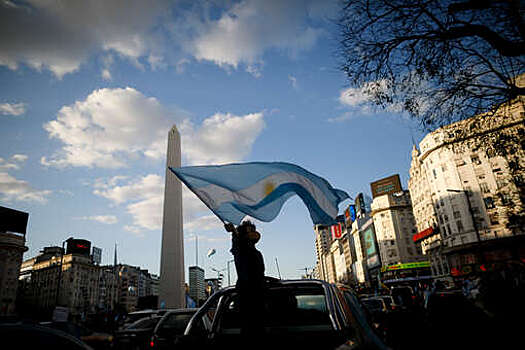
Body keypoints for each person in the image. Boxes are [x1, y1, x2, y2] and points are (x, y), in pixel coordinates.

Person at [225, 220, 266, 340]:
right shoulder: (241, 251)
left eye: (253, 231)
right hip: (248, 297)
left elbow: (260, 273)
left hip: (259, 296)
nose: (253, 234)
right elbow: (238, 244)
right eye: (249, 232)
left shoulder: (256, 253)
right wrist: (234, 232)